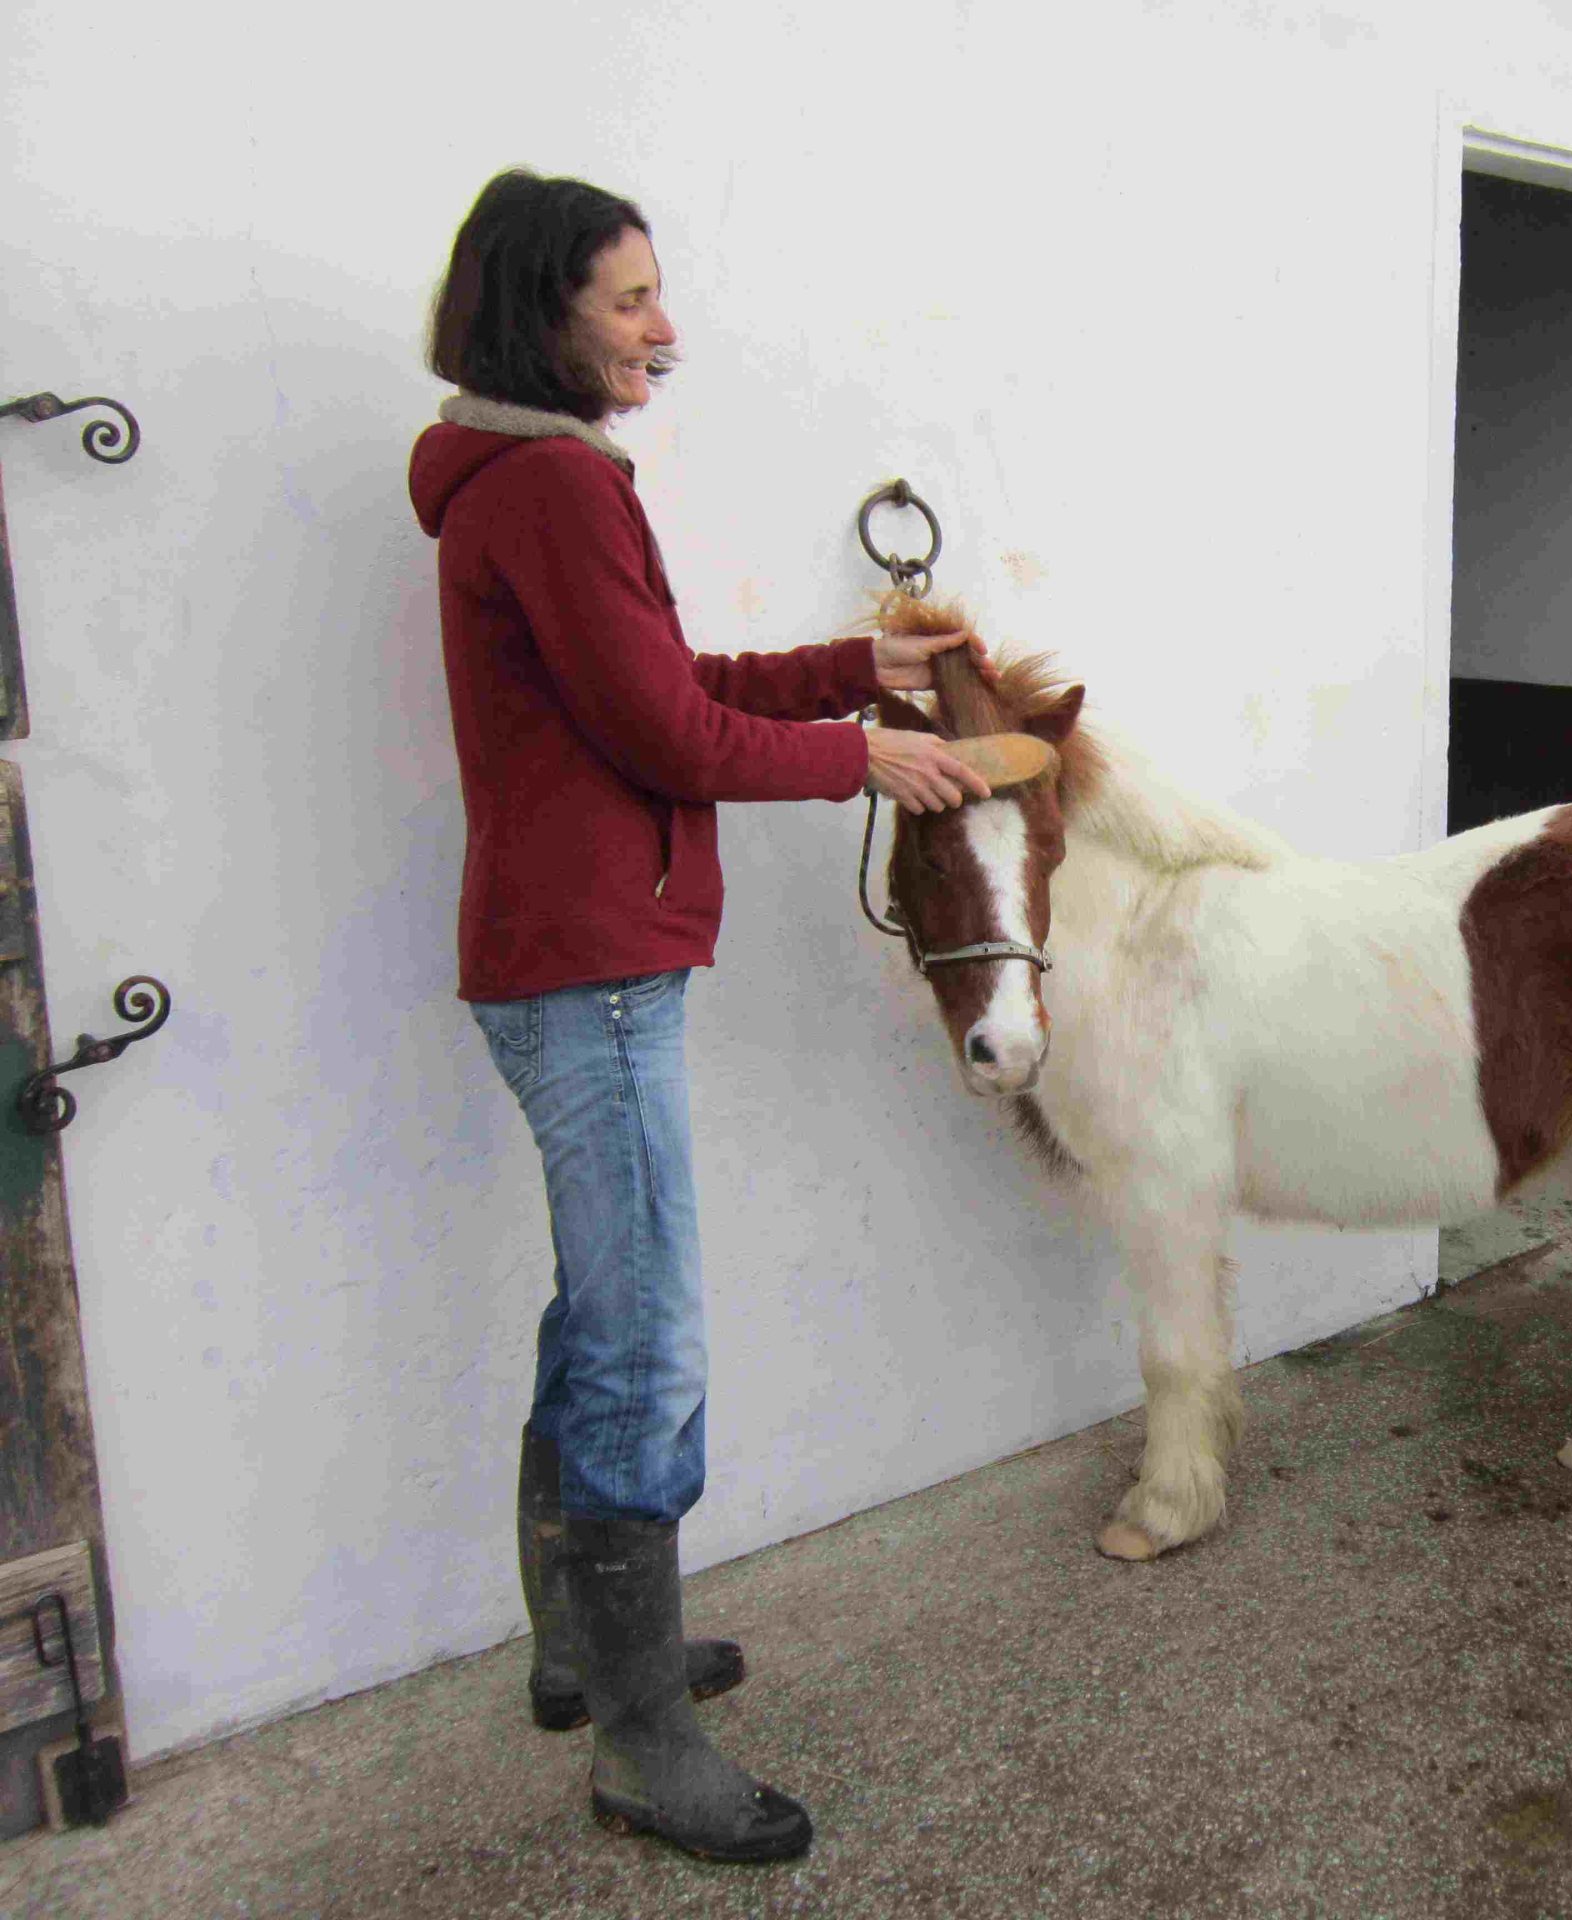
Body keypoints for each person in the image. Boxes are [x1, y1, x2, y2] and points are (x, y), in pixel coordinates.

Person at [411, 168, 992, 1862]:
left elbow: (656, 692)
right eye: (630, 300)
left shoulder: (533, 478)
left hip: (574, 955)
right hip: (588, 973)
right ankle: (642, 1744)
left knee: (602, 1313)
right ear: (545, 315)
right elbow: (666, 738)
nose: (663, 329)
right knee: (644, 1340)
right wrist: (858, 759)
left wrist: (846, 675)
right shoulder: (549, 488)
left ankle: (583, 1656)